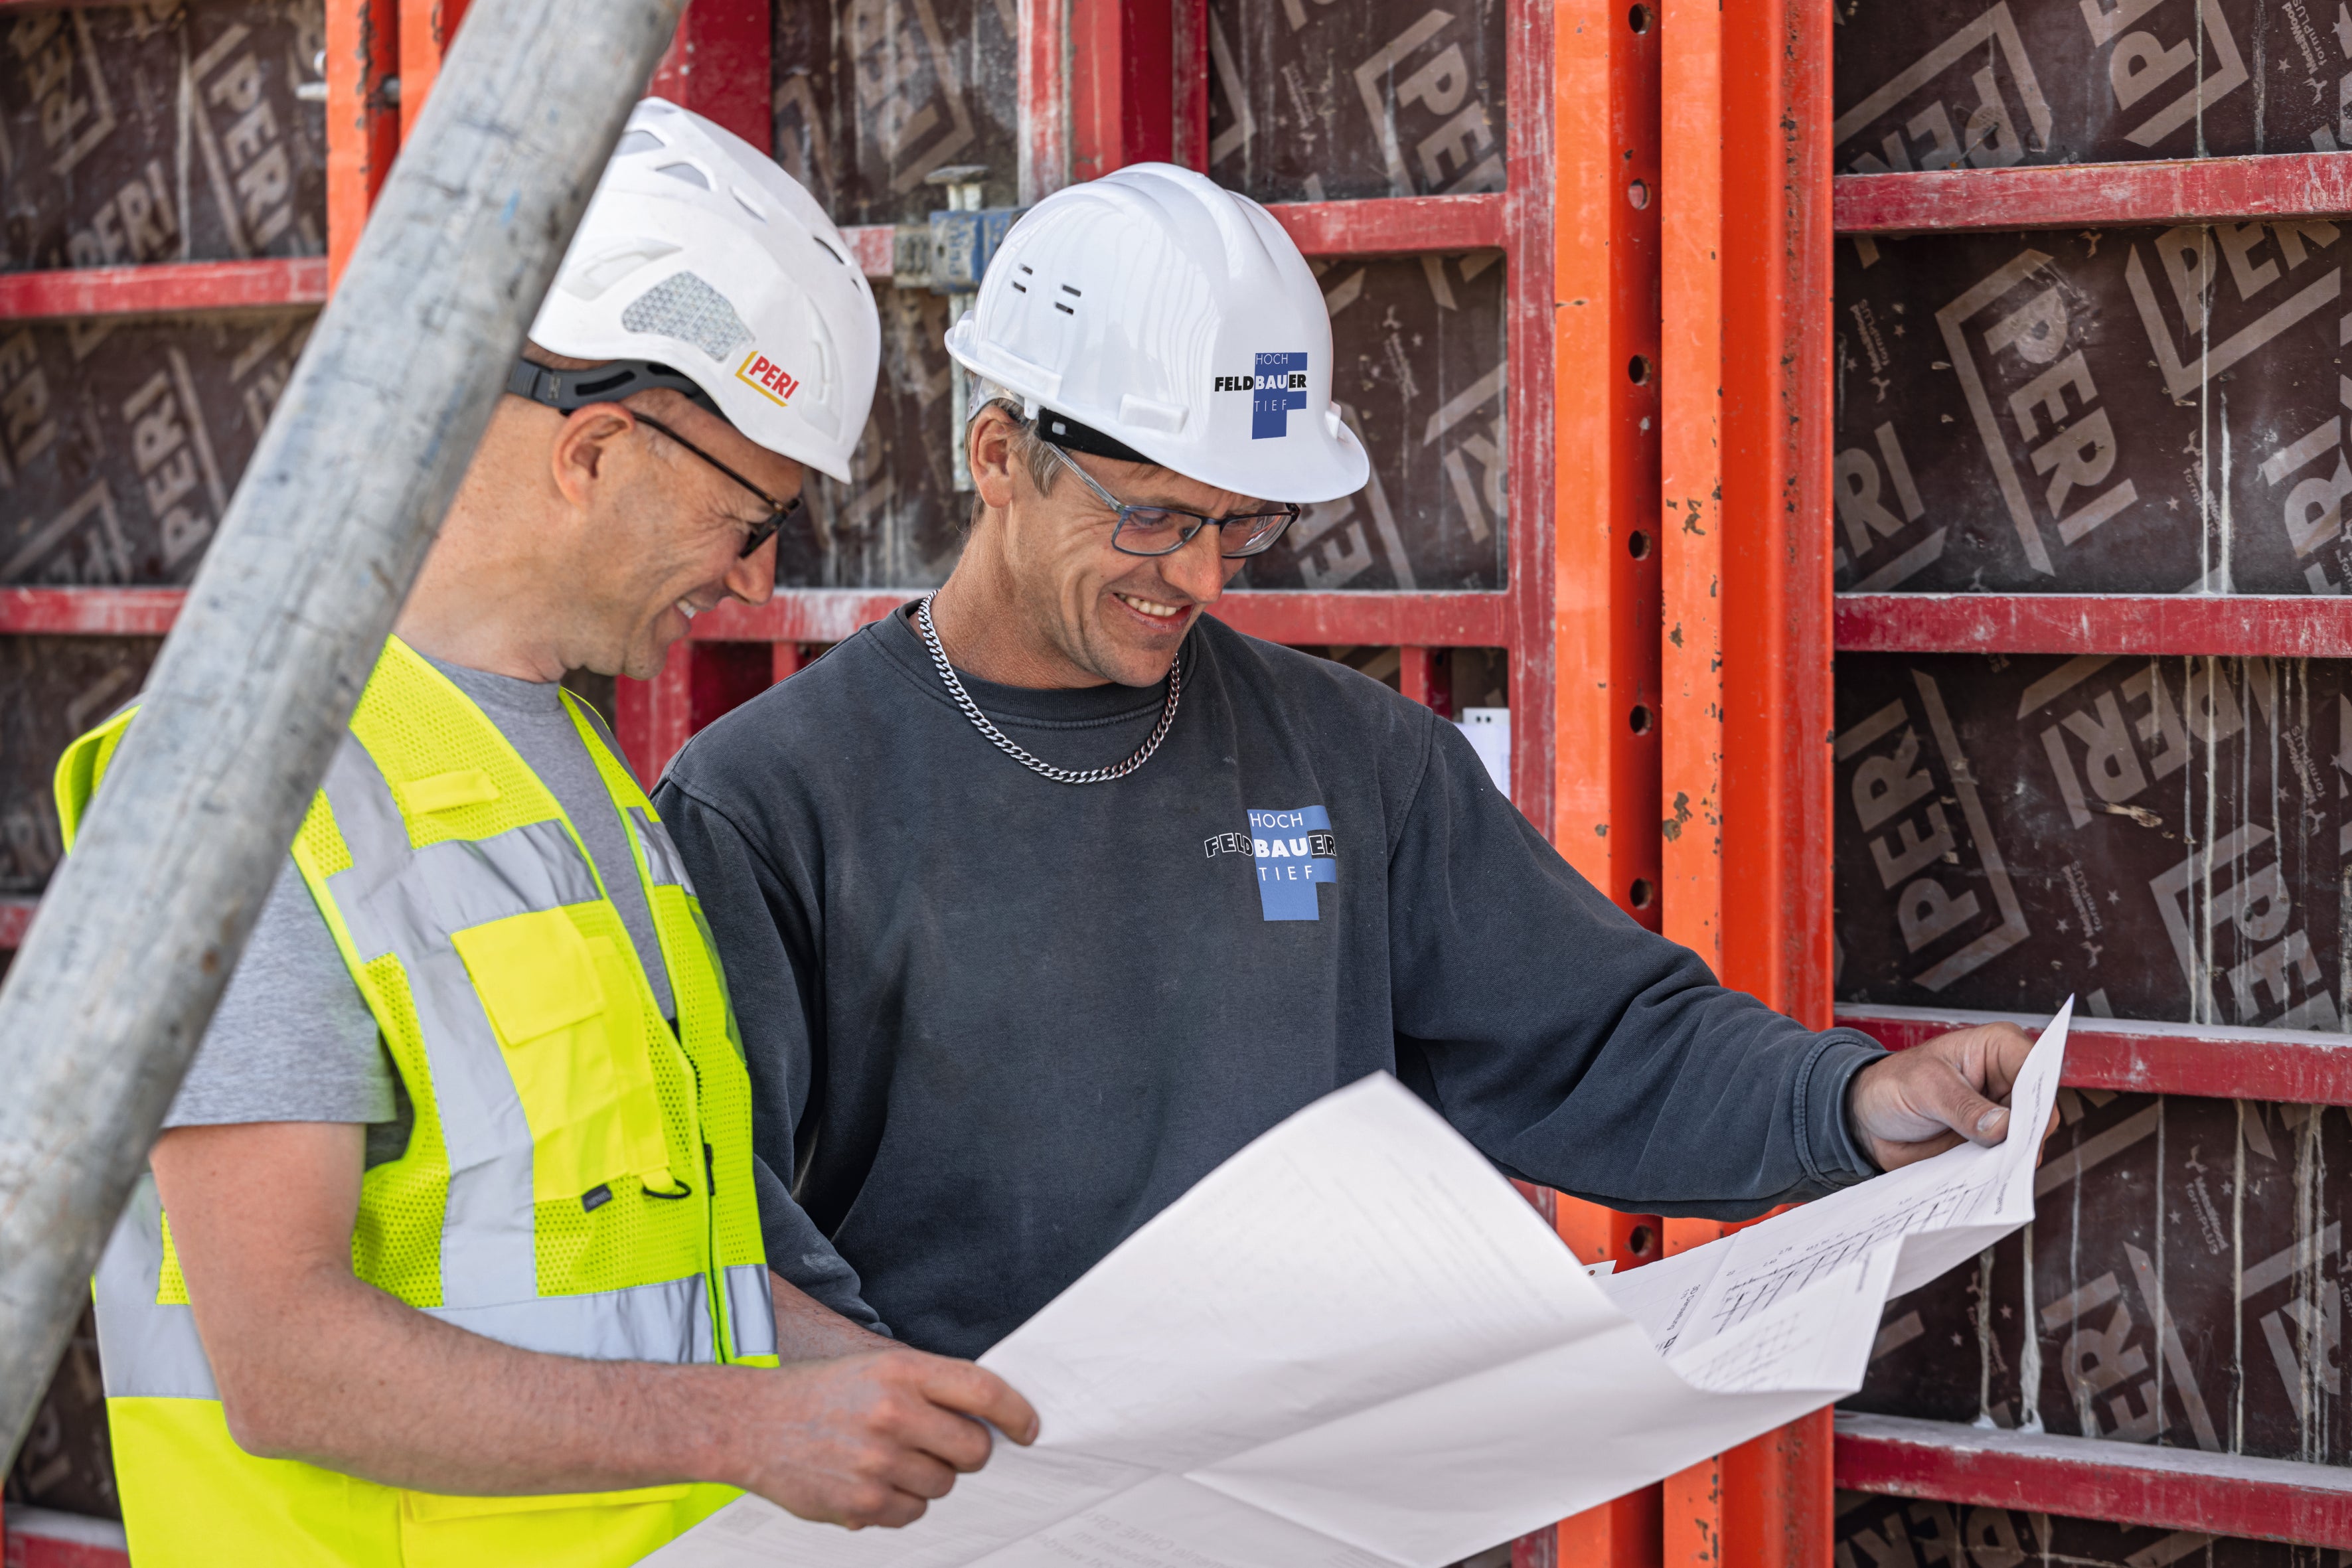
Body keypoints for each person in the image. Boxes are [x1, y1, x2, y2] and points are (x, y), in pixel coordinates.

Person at [653, 162, 2056, 1364]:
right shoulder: (772, 801)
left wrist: (1845, 1101)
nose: (1200, 575)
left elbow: (1590, 1037)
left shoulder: (1354, 759)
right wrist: (914, 1437)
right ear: (999, 455)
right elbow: (718, 1227)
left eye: (1242, 525)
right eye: (1153, 517)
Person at [53, 100, 1034, 1568]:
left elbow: (662, 1271)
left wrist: (883, 1387)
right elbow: (281, 1354)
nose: (754, 582)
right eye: (750, 518)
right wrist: (749, 1428)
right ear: (592, 451)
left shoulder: (574, 769)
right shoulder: (242, 789)